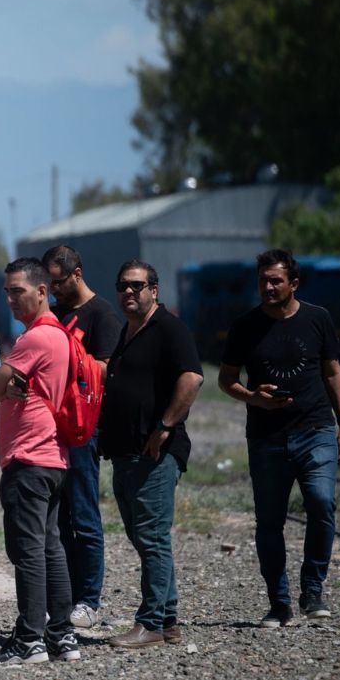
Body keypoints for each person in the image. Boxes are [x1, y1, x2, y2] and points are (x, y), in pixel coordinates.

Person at [219, 248, 340, 626]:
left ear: (293, 283)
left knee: (322, 503)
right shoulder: (245, 326)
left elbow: (333, 373)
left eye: (276, 280)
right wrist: (253, 398)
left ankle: (313, 589)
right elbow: (226, 380)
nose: (268, 286)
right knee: (269, 521)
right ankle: (279, 602)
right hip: (266, 437)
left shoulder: (317, 319)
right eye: (263, 280)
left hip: (316, 429)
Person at [99, 261, 203, 649]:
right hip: (126, 452)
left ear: (154, 290)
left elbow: (192, 378)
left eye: (137, 286)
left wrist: (164, 426)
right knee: (142, 536)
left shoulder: (169, 328)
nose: (129, 292)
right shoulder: (128, 331)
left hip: (156, 452)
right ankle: (169, 617)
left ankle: (151, 624)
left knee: (153, 537)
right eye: (123, 285)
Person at [0, 257, 77, 666]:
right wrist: (5, 384)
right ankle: (61, 634)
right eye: (7, 291)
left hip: (29, 457)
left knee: (28, 551)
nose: (10, 299)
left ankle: (29, 638)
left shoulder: (36, 338)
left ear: (42, 291)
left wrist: (1, 382)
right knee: (50, 547)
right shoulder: (61, 335)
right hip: (51, 457)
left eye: (17, 291)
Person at [41, 245, 116, 630]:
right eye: (48, 283)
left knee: (85, 515)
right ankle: (65, 595)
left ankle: (90, 598)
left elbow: (103, 370)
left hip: (84, 426)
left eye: (57, 282)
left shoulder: (101, 314)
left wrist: (66, 367)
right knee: (61, 515)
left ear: (77, 273)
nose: (52, 290)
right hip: (53, 427)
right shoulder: (53, 315)